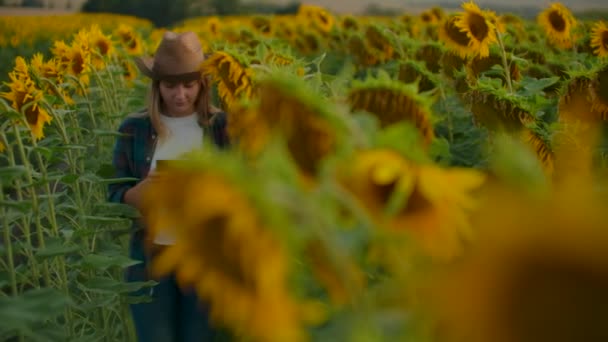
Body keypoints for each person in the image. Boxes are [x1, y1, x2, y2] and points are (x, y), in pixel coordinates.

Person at [107, 31, 229, 342]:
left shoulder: (221, 128)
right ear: (156, 85)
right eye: (170, 85)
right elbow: (114, 197)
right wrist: (141, 193)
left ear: (202, 84)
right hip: (151, 261)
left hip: (203, 257)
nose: (180, 95)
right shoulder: (134, 129)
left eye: (189, 85)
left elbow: (242, 189)